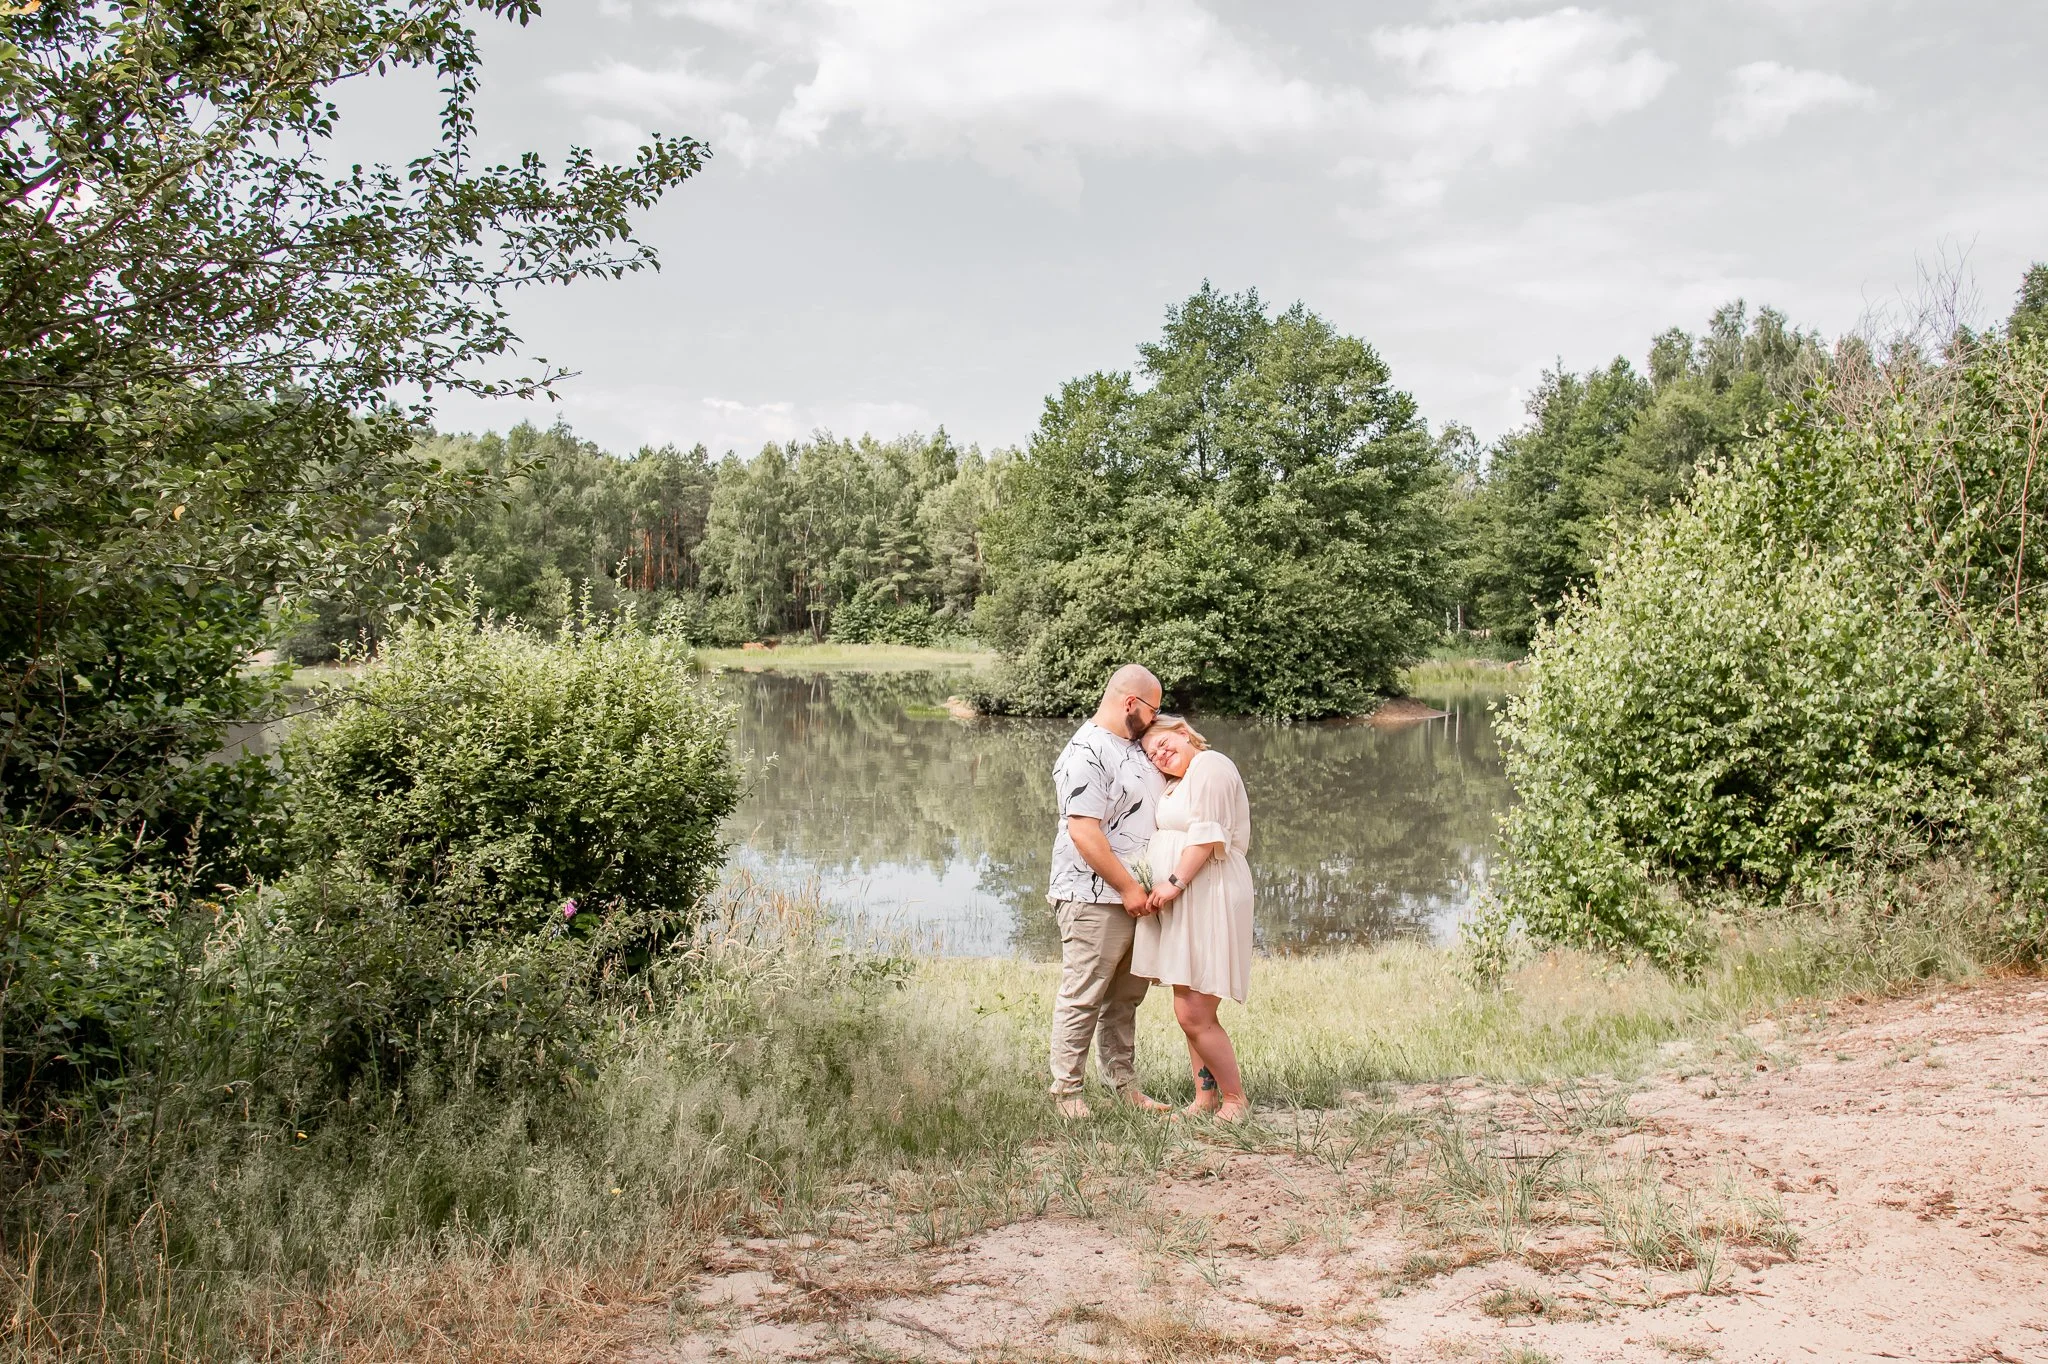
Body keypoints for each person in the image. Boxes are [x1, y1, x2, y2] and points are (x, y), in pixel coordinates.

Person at [1045, 664, 1173, 1119]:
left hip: (1139, 898)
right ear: (1130, 703)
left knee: (1125, 998)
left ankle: (1124, 1086)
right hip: (1094, 895)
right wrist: (1127, 888)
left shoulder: (1134, 747)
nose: (1157, 718)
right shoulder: (1086, 751)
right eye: (1154, 708)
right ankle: (1067, 1095)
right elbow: (1084, 831)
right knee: (1084, 993)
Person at [1132, 715, 1255, 1121]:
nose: (1160, 755)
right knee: (1188, 1003)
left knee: (1194, 1011)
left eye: (1164, 744)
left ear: (1183, 732)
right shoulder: (1179, 782)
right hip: (1189, 897)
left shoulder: (1211, 765)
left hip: (1210, 891)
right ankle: (1205, 1098)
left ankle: (1235, 1100)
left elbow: (1206, 834)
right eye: (1152, 755)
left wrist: (1174, 882)